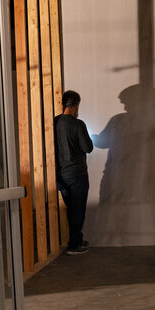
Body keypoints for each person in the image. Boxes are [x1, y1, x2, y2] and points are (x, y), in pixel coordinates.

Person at [54, 89, 93, 255]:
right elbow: (88, 148)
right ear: (76, 105)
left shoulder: (54, 122)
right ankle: (74, 245)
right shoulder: (78, 124)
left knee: (69, 209)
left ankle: (76, 239)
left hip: (60, 175)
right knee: (78, 210)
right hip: (77, 174)